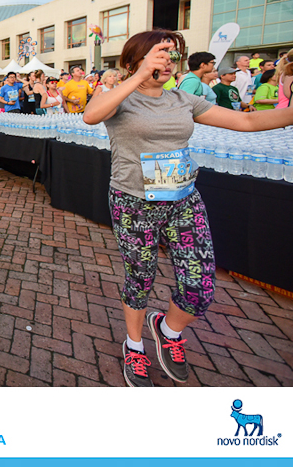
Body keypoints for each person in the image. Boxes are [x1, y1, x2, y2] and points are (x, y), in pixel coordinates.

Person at [84, 29, 293, 388]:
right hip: (134, 201)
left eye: (171, 56)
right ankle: (134, 346)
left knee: (200, 285)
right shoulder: (121, 97)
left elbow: (246, 121)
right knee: (140, 278)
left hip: (182, 200)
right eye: (158, 54)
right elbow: (91, 116)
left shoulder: (183, 99)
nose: (167, 62)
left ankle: (168, 330)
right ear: (135, 60)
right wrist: (137, 76)